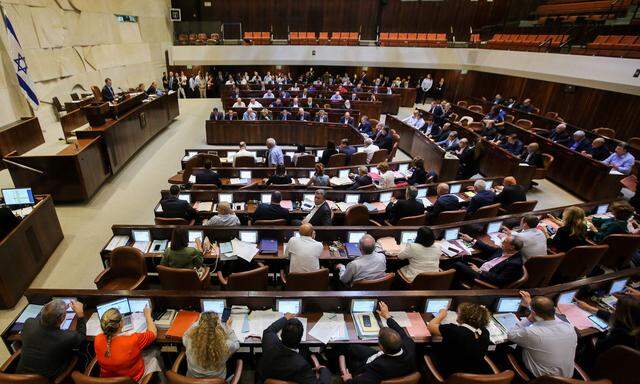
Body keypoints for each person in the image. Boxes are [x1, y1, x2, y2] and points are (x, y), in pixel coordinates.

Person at [340, 302, 416, 384]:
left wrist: (347, 379)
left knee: (346, 352)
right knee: (351, 347)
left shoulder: (377, 368)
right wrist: (387, 316)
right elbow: (400, 331)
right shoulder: (409, 345)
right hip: (386, 361)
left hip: (365, 367)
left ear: (381, 347)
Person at [508, 292, 577, 378]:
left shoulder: (532, 333)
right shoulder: (569, 327)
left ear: (533, 313)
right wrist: (531, 306)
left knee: (508, 349)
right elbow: (550, 314)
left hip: (541, 380)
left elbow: (510, 335)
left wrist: (528, 320)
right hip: (567, 380)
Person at [16, 299, 86, 379]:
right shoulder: (66, 337)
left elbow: (41, 319)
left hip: (19, 377)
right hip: (46, 379)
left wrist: (51, 310)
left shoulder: (29, 323)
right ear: (62, 318)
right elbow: (81, 336)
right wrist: (80, 315)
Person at [257, 314, 331, 384]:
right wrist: (323, 369)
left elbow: (269, 330)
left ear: (281, 334)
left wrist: (285, 318)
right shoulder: (302, 365)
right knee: (305, 350)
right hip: (290, 375)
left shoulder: (269, 343)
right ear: (300, 338)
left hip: (264, 376)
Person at [94, 306, 161, 381]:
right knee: (155, 351)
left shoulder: (97, 339)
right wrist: (148, 315)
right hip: (132, 379)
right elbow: (153, 333)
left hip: (108, 380)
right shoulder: (133, 339)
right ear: (120, 324)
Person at [427, 303, 491, 378]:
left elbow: (430, 326)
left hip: (449, 375)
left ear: (464, 317)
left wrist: (442, 313)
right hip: (473, 377)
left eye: (458, 313)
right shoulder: (485, 333)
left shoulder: (454, 330)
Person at [452, 234, 525, 288]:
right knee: (464, 258)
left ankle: (453, 286)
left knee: (457, 264)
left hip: (484, 278)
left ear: (512, 247)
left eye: (505, 241)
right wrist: (471, 239)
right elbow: (488, 248)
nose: (502, 242)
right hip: (483, 267)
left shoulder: (515, 263)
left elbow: (499, 280)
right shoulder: (505, 249)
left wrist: (479, 271)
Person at [575, 295, 640, 354]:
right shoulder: (634, 323)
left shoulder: (621, 333)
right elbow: (611, 316)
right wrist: (589, 308)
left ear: (621, 313)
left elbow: (598, 346)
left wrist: (595, 337)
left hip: (600, 361)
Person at [183, 312, 239, 379]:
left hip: (192, 380)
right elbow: (236, 345)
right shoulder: (226, 345)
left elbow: (186, 333)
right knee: (232, 359)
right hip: (218, 380)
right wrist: (228, 328)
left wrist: (200, 322)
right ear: (218, 327)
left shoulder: (189, 340)